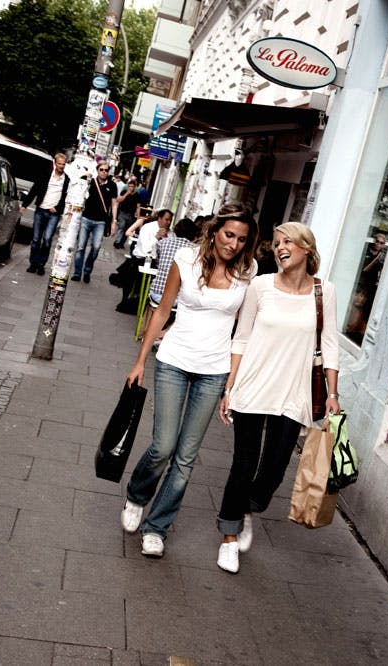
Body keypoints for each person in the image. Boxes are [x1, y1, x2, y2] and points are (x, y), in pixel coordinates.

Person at [120, 202, 258, 558]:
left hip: (213, 371)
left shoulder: (248, 270)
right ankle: (137, 495)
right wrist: (139, 361)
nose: (234, 244)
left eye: (242, 239)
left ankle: (157, 527)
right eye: (229, 235)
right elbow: (164, 309)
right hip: (174, 360)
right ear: (215, 230)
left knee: (186, 458)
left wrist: (232, 382)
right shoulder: (187, 258)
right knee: (163, 446)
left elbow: (242, 329)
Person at [215, 222, 340, 574]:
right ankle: (228, 536)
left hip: (295, 392)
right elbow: (241, 339)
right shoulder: (261, 286)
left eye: (288, 242)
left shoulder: (323, 292)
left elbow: (329, 344)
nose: (280, 248)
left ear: (306, 249)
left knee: (274, 468)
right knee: (243, 463)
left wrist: (333, 393)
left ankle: (246, 508)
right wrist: (229, 387)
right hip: (254, 386)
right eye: (276, 242)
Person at [20, 153, 70, 275]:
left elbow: (66, 198)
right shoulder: (46, 175)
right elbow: (34, 190)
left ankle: (41, 264)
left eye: (63, 164)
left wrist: (57, 208)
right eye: (59, 164)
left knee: (47, 239)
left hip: (54, 214)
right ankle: (33, 264)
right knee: (36, 239)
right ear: (54, 163)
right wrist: (24, 205)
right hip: (41, 210)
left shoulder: (67, 180)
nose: (61, 166)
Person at [71, 162, 118, 284]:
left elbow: (114, 204)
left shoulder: (112, 186)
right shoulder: (90, 182)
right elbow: (77, 185)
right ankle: (77, 273)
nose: (104, 172)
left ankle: (87, 270)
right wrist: (84, 176)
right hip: (86, 218)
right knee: (81, 247)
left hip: (100, 222)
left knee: (96, 247)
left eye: (106, 170)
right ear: (97, 171)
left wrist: (114, 221)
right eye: (101, 169)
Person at [114, 176, 142, 249]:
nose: (130, 188)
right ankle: (117, 242)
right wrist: (126, 194)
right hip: (122, 212)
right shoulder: (124, 192)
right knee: (121, 227)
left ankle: (121, 243)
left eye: (132, 187)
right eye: (129, 186)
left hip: (131, 215)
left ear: (135, 187)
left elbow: (138, 207)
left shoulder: (137, 195)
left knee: (127, 229)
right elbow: (119, 200)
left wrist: (138, 218)